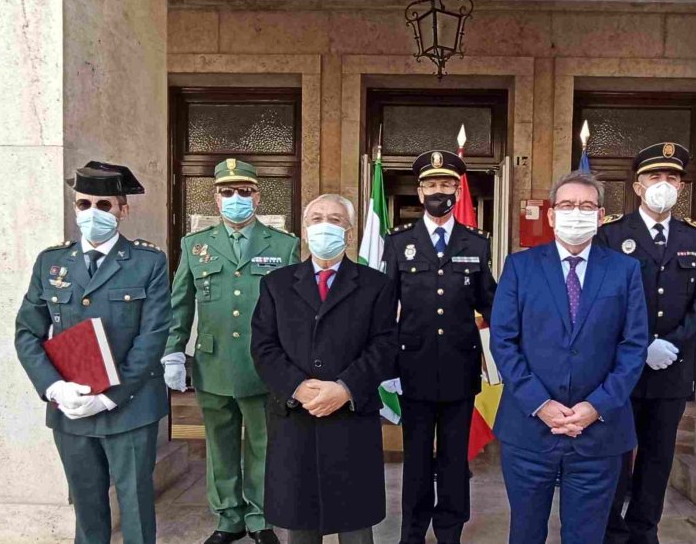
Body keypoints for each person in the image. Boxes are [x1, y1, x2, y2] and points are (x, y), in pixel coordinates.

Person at [490, 171, 651, 544]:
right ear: (551, 215)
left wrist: (597, 406)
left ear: (600, 216)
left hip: (599, 433)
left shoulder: (625, 270)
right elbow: (504, 341)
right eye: (566, 205)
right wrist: (540, 403)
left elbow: (633, 346)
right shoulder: (520, 267)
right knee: (526, 532)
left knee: (586, 535)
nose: (575, 213)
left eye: (585, 206)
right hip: (529, 429)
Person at [14, 162, 170, 544]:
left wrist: (109, 396)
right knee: (86, 507)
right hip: (70, 409)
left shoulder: (148, 262)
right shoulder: (51, 262)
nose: (93, 213)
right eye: (84, 204)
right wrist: (54, 389)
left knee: (135, 506)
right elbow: (27, 333)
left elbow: (153, 337)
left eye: (104, 204)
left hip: (130, 407)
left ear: (123, 210)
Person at [163, 158, 299, 544]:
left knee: (262, 444)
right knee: (219, 445)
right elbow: (180, 305)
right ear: (216, 199)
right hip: (213, 362)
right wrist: (174, 352)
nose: (235, 198)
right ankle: (228, 518)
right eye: (227, 192)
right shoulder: (196, 246)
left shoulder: (285, 245)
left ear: (257, 196)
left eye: (244, 191)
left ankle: (259, 518)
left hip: (263, 366)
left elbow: (293, 311)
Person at [250, 194, 398, 544]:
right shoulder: (277, 284)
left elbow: (385, 346)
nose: (324, 226)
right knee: (299, 521)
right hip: (295, 416)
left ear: (349, 232)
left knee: (356, 523)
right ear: (304, 230)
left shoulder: (376, 285)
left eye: (334, 219)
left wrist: (345, 388)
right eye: (316, 219)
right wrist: (299, 388)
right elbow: (263, 347)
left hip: (351, 416)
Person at [597, 142, 696, 544]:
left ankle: (644, 530)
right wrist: (641, 345)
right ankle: (611, 531)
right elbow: (602, 301)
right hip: (622, 369)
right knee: (615, 455)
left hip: (672, 369)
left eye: (671, 177)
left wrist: (674, 344)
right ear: (637, 186)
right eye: (654, 176)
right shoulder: (611, 235)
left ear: (682, 187)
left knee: (657, 457)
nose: (663, 184)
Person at [383, 150, 497, 544]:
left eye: (446, 184)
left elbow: (492, 304)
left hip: (460, 370)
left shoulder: (476, 243)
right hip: (411, 370)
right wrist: (386, 367)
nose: (439, 191)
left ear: (457, 188)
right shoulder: (399, 242)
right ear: (419, 191)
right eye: (431, 184)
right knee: (415, 459)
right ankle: (412, 531)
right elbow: (385, 308)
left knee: (453, 458)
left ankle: (450, 530)